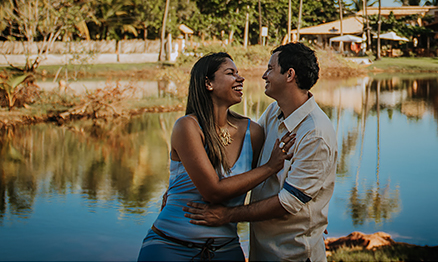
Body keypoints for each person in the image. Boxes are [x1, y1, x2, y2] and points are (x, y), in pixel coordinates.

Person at [185, 43, 338, 262]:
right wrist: (180, 187)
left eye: (270, 69)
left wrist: (226, 215)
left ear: (289, 74)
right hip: (264, 249)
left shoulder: (314, 133)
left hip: (291, 252)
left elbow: (289, 202)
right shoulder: (275, 111)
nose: (264, 75)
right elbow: (245, 158)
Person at [138, 52, 295, 262]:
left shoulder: (253, 132)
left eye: (238, 73)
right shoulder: (188, 127)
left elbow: (267, 187)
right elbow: (213, 191)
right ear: (208, 83)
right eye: (231, 73)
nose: (241, 78)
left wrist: (309, 220)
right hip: (170, 246)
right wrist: (269, 167)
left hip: (225, 249)